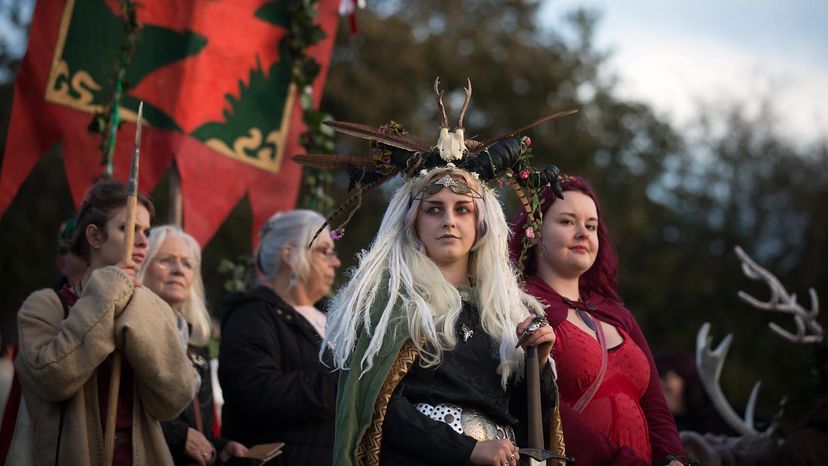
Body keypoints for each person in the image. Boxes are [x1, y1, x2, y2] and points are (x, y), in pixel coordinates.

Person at [327, 166, 562, 466]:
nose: (449, 221)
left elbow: (530, 427)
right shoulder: (390, 306)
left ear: (481, 223)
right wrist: (467, 450)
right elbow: (376, 406)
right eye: (434, 210)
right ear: (413, 222)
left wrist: (536, 364)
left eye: (462, 209)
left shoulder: (505, 315)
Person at [13, 179, 198, 465]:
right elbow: (52, 380)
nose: (143, 242)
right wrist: (108, 290)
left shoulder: (147, 304)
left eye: (146, 231)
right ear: (95, 236)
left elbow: (174, 398)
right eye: (128, 229)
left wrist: (138, 311)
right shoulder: (45, 306)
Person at [509, 175, 687, 465]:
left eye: (591, 226)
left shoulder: (617, 314)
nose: (583, 233)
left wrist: (672, 458)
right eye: (567, 222)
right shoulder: (518, 304)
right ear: (535, 231)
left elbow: (655, 405)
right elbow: (543, 405)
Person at [219, 210, 341, 465]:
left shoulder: (333, 320)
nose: (336, 262)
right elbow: (254, 392)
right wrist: (343, 386)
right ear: (289, 255)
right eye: (324, 251)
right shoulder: (252, 316)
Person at [139, 226, 248, 465]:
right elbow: (126, 410)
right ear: (143, 267)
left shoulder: (194, 346)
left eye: (187, 264)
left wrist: (220, 448)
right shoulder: (131, 333)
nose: (179, 270)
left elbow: (198, 428)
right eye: (167, 260)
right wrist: (178, 436)